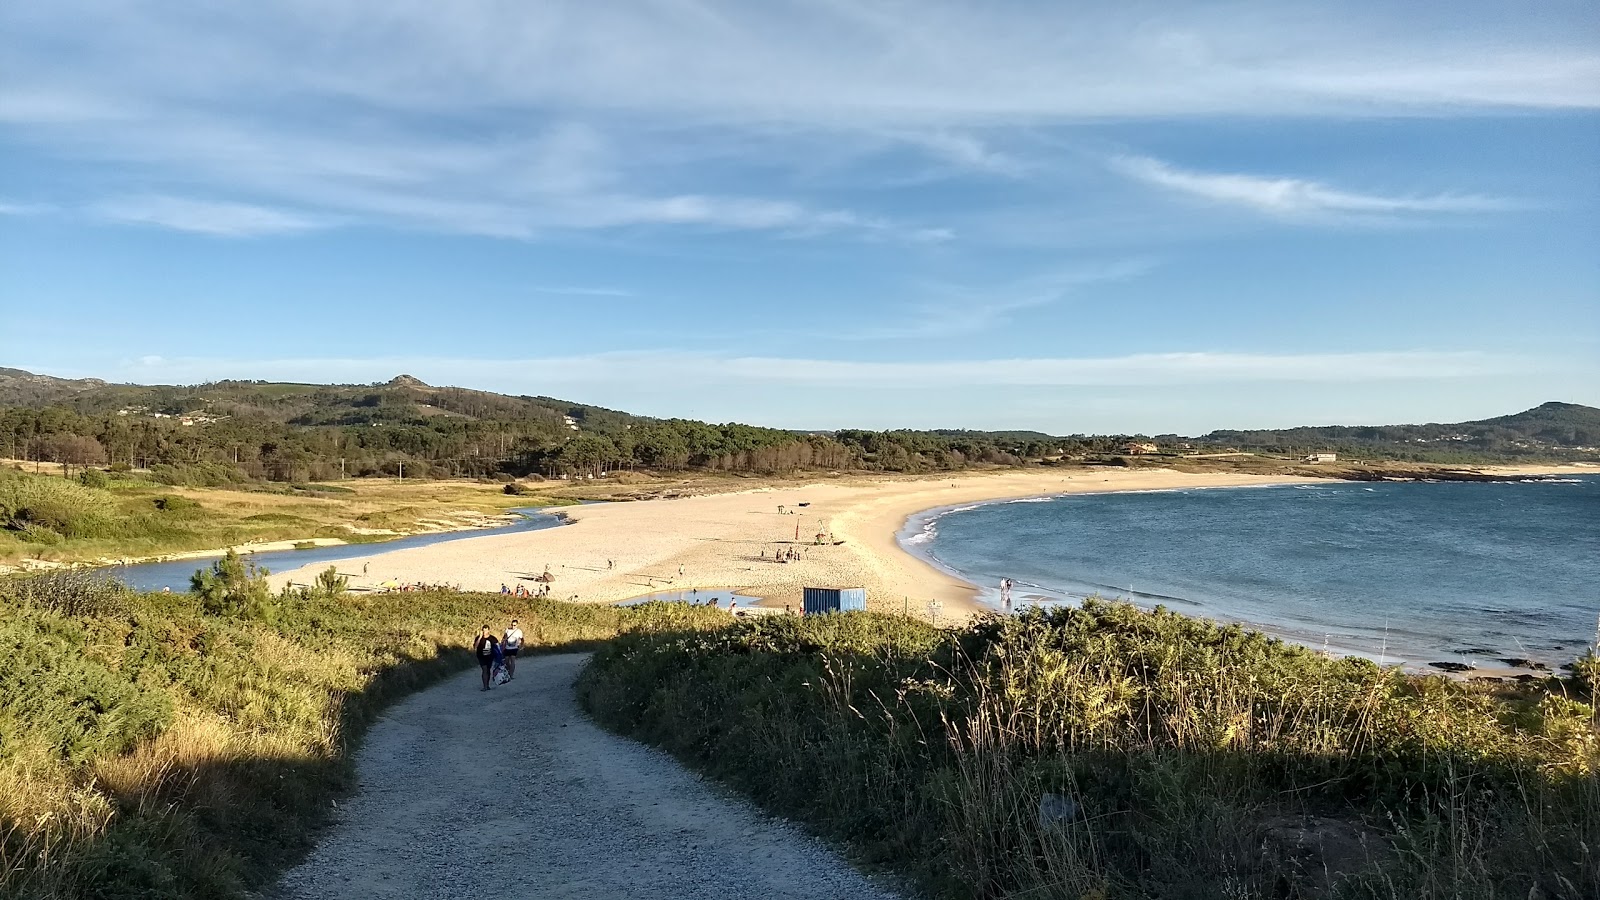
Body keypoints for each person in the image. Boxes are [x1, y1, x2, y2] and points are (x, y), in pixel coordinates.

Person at [472, 625, 500, 691]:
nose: (484, 632)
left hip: (490, 656)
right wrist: (480, 637)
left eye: (486, 630)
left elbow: (498, 647)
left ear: (488, 630)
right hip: (481, 656)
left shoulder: (493, 638)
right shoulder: (478, 638)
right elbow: (475, 647)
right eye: (483, 630)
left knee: (488, 670)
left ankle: (487, 685)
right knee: (484, 669)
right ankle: (485, 686)